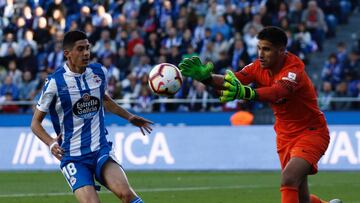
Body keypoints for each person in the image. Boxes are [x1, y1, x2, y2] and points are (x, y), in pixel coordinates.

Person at [179, 26, 341, 203]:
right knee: (301, 198)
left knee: (288, 178)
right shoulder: (257, 67)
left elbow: (278, 92)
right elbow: (234, 80)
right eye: (259, 48)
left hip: (311, 132)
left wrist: (246, 93)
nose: (261, 54)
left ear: (281, 51)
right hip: (284, 135)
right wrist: (206, 78)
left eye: (267, 49)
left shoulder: (294, 70)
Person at [31, 30, 153, 203]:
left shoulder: (98, 72)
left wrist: (130, 117)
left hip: (99, 149)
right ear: (67, 54)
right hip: (73, 157)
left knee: (126, 194)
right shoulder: (54, 83)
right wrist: (51, 143)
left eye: (88, 48)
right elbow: (35, 123)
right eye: (80, 49)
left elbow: (105, 100)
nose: (86, 53)